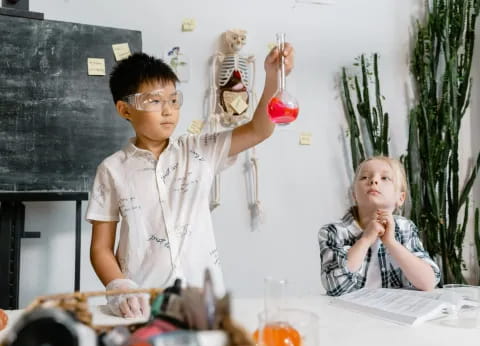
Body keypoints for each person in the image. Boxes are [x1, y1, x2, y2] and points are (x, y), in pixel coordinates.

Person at [86, 46, 294, 318]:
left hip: (204, 304)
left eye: (174, 100)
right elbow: (101, 248)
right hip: (144, 307)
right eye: (155, 101)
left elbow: (259, 129)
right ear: (125, 109)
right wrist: (120, 287)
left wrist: (272, 78)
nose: (168, 111)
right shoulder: (112, 169)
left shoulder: (200, 150)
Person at [318, 156, 440, 296]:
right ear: (354, 195)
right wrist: (365, 239)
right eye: (364, 177)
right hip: (350, 314)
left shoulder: (405, 227)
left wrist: (391, 242)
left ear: (400, 198)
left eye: (385, 178)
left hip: (395, 312)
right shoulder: (333, 231)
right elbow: (335, 287)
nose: (373, 181)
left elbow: (428, 283)